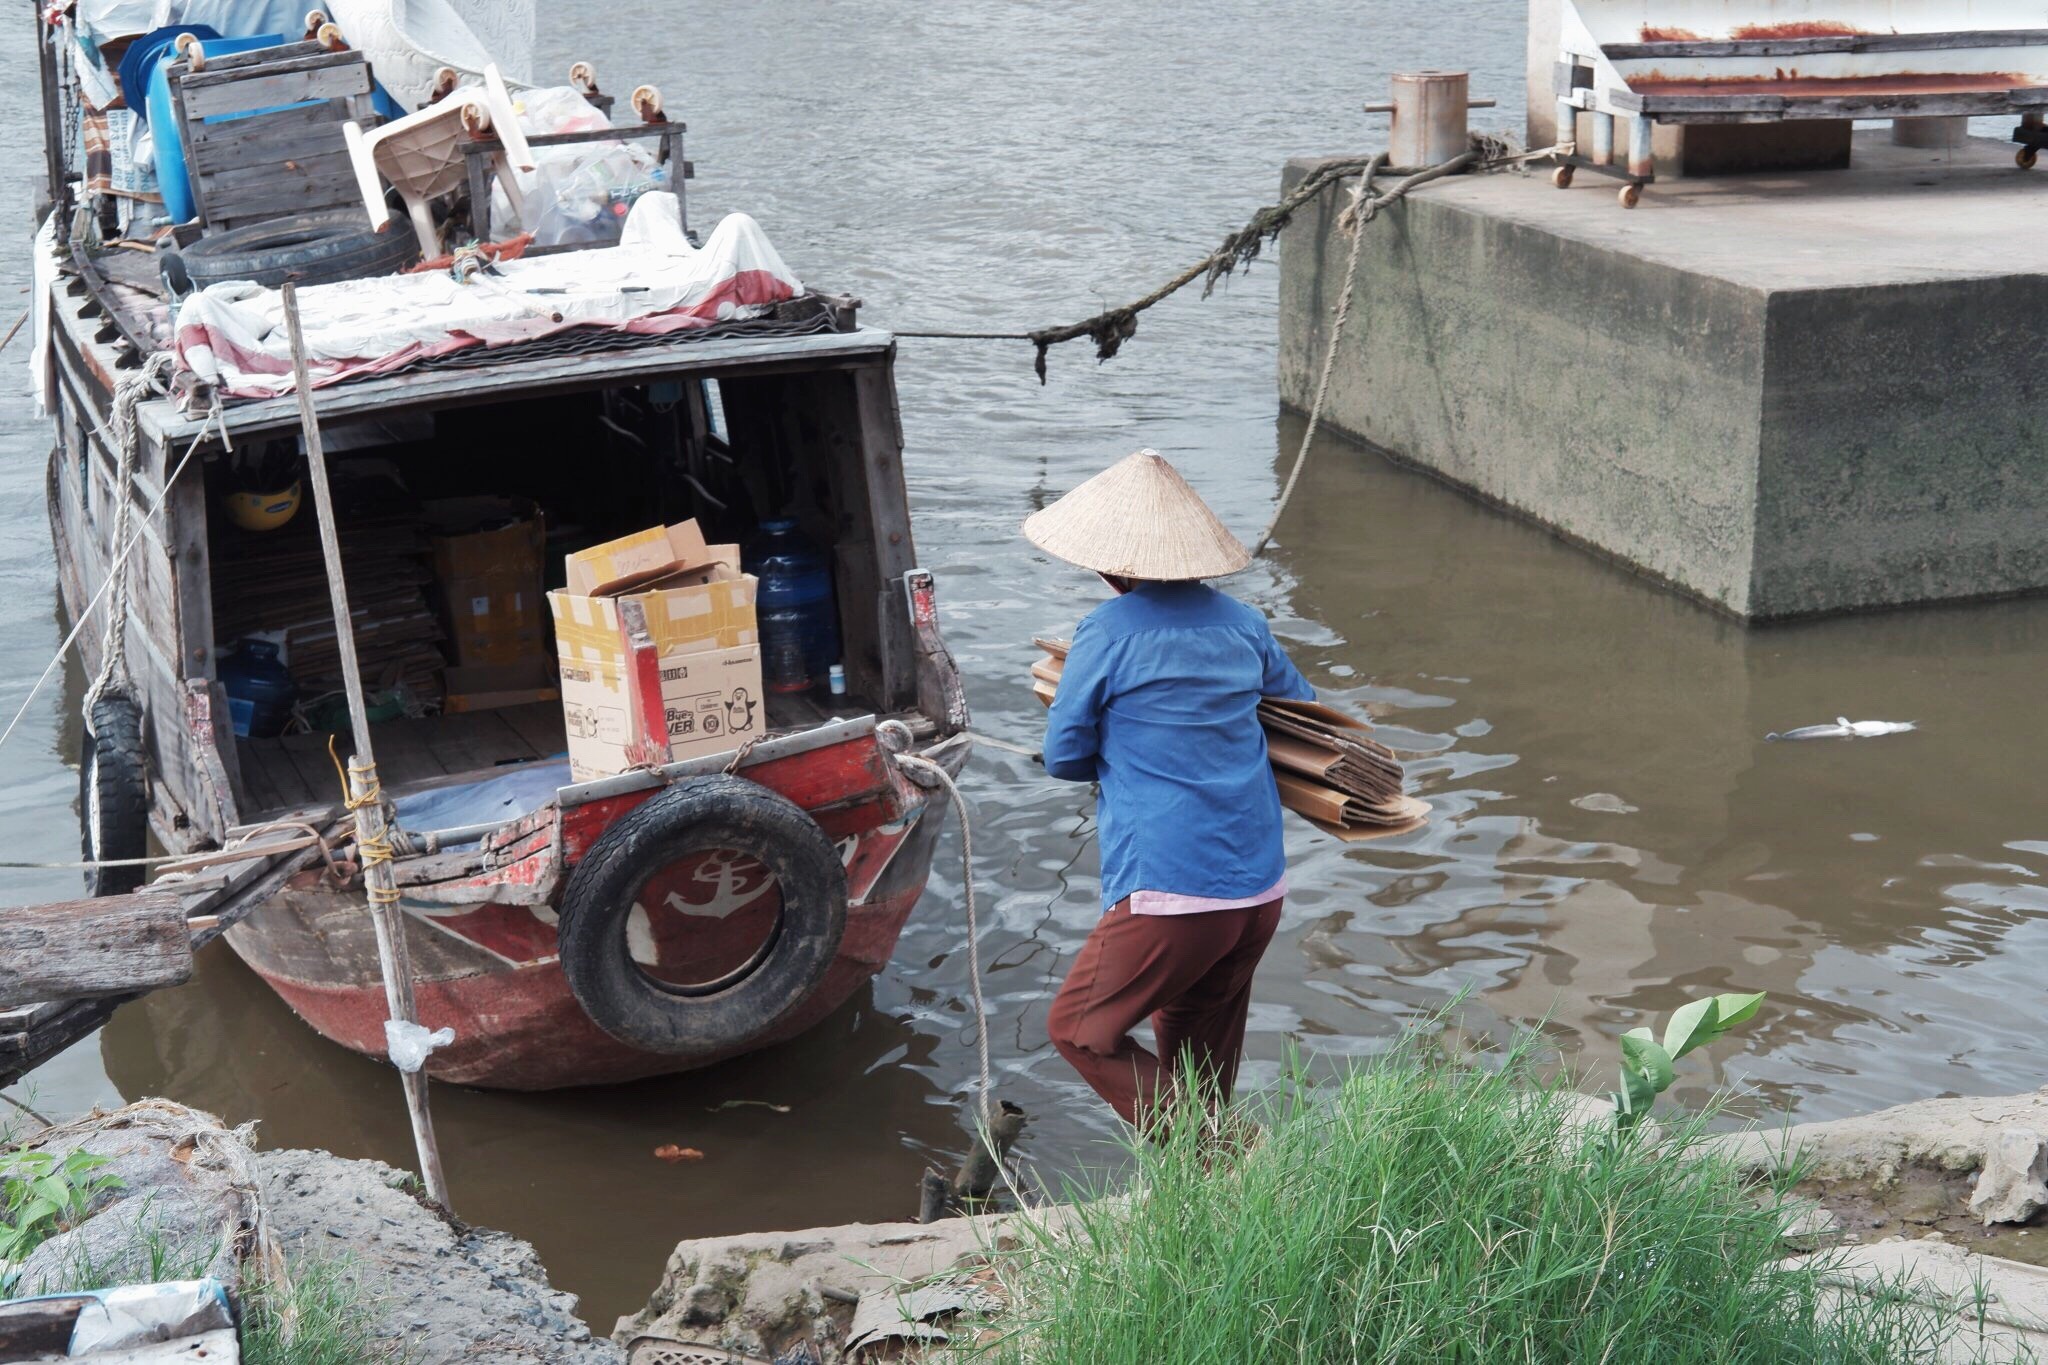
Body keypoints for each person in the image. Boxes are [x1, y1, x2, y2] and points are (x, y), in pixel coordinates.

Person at [1027, 449, 1314, 1128]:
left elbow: (1064, 754)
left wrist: (1122, 747)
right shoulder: (1245, 624)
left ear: (1111, 563)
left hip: (1173, 892)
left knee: (1080, 1029)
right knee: (1197, 1060)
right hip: (1258, 890)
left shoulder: (1106, 629)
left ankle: (1236, 1156)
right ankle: (1218, 1204)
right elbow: (1300, 715)